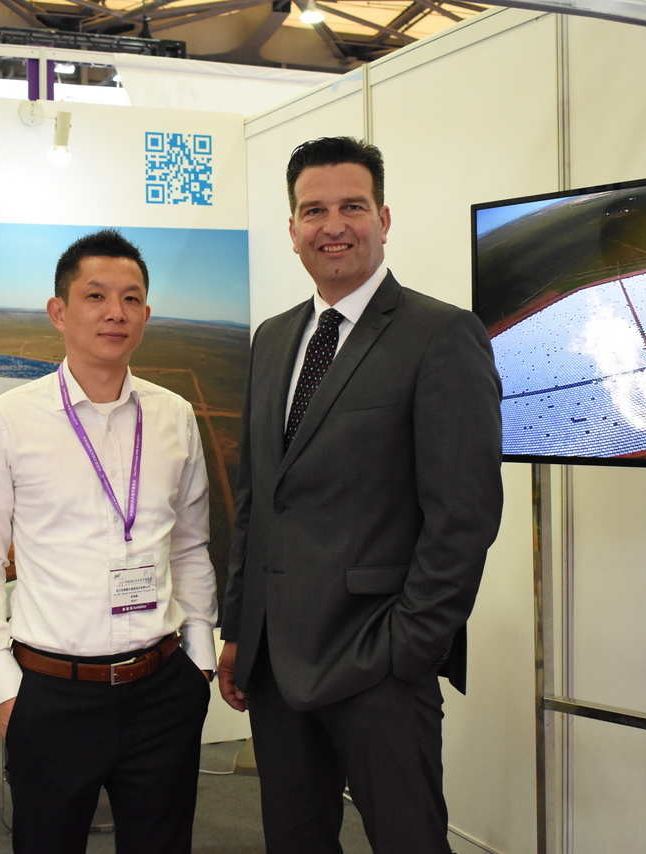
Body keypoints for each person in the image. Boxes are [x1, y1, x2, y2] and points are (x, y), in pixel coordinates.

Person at [217, 137, 503, 854]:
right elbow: (257, 501)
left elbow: (463, 517)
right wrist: (240, 630)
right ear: (292, 230)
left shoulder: (441, 335)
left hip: (378, 663)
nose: (333, 226)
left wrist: (410, 649)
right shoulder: (272, 339)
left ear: (384, 218)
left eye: (352, 206)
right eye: (314, 211)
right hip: (276, 664)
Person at [0, 228, 218, 854]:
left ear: (146, 314)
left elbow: (190, 545)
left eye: (131, 298)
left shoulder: (174, 416)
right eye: (95, 296)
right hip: (52, 696)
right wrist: (5, 690)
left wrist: (200, 661)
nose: (115, 312)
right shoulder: (5, 421)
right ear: (59, 312)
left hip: (163, 690)